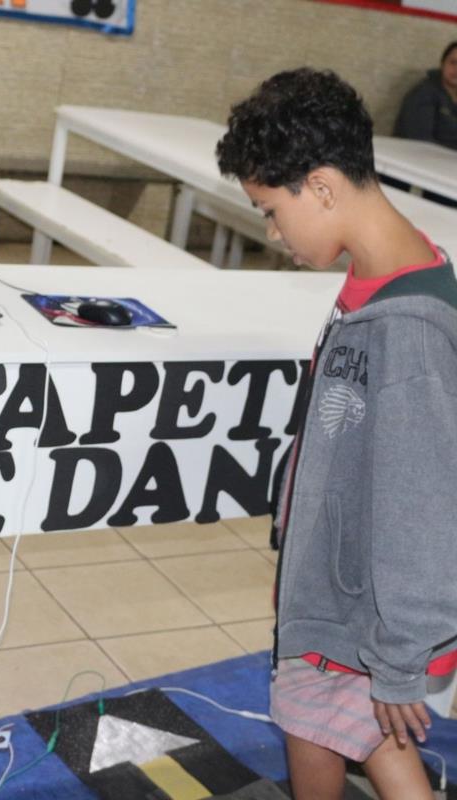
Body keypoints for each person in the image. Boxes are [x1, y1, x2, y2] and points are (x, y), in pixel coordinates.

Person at [216, 67, 457, 800]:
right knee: (323, 723)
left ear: (320, 187)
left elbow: (426, 509)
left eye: (271, 210)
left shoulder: (409, 330)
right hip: (342, 584)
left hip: (371, 608)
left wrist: (401, 659)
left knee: (339, 724)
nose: (272, 231)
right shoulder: (381, 274)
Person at [394, 40, 457, 150]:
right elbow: (421, 142)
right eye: (453, 63)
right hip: (416, 156)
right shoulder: (423, 93)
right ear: (442, 64)